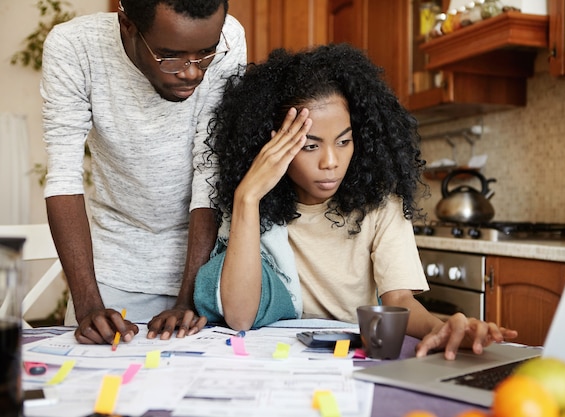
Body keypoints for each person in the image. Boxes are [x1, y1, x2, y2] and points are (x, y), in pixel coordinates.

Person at [193, 44, 518, 359]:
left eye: (344, 141)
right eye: (310, 146)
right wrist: (247, 197)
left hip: (357, 358)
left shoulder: (382, 205)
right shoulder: (260, 212)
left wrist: (440, 327)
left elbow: (399, 300)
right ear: (271, 147)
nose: (330, 161)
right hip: (280, 359)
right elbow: (239, 317)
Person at [40, 0, 246, 345]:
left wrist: (189, 298)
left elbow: (209, 169)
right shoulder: (73, 46)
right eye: (170, 55)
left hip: (207, 275)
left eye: (205, 53)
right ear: (127, 26)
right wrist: (88, 305)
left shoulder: (229, 37)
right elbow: (63, 175)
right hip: (112, 276)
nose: (192, 71)